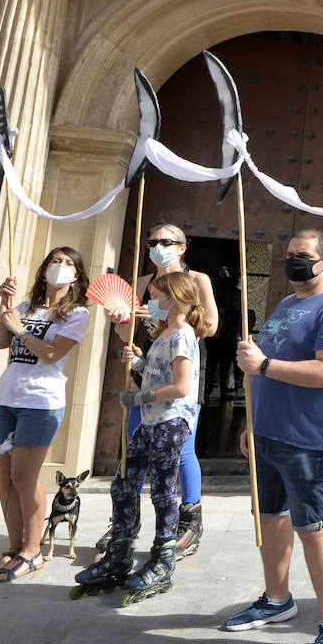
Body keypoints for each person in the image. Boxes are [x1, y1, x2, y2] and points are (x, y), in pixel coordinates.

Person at [221, 229, 323, 644]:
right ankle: (276, 599)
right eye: (288, 257)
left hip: (308, 440)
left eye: (301, 256)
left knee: (313, 526)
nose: (292, 263)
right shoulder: (285, 304)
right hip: (268, 433)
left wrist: (263, 365)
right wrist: (252, 420)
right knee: (270, 517)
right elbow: (264, 366)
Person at [75, 271, 208, 597]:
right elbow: (156, 371)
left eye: (154, 296)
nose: (148, 303)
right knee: (124, 483)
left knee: (163, 492)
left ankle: (162, 560)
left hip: (171, 421)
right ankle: (120, 553)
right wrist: (137, 363)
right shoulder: (164, 334)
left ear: (174, 299)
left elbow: (180, 385)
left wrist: (139, 397)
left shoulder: (183, 336)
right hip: (151, 422)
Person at [0, 247, 91, 583]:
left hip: (41, 404)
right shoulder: (25, 307)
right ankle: (14, 547)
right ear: (44, 270)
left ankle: (33, 550)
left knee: (26, 478)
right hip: (7, 399)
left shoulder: (76, 314)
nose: (61, 267)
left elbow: (52, 352)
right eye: (56, 261)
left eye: (69, 264)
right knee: (6, 477)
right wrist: (5, 305)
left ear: (76, 277)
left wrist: (21, 331)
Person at [114, 223, 219, 559]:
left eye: (166, 241)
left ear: (182, 247)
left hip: (183, 366)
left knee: (181, 448)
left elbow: (211, 326)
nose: (158, 246)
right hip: (148, 366)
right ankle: (125, 524)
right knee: (134, 448)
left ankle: (189, 522)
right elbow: (126, 335)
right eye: (153, 241)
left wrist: (174, 314)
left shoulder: (197, 280)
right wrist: (119, 318)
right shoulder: (142, 283)